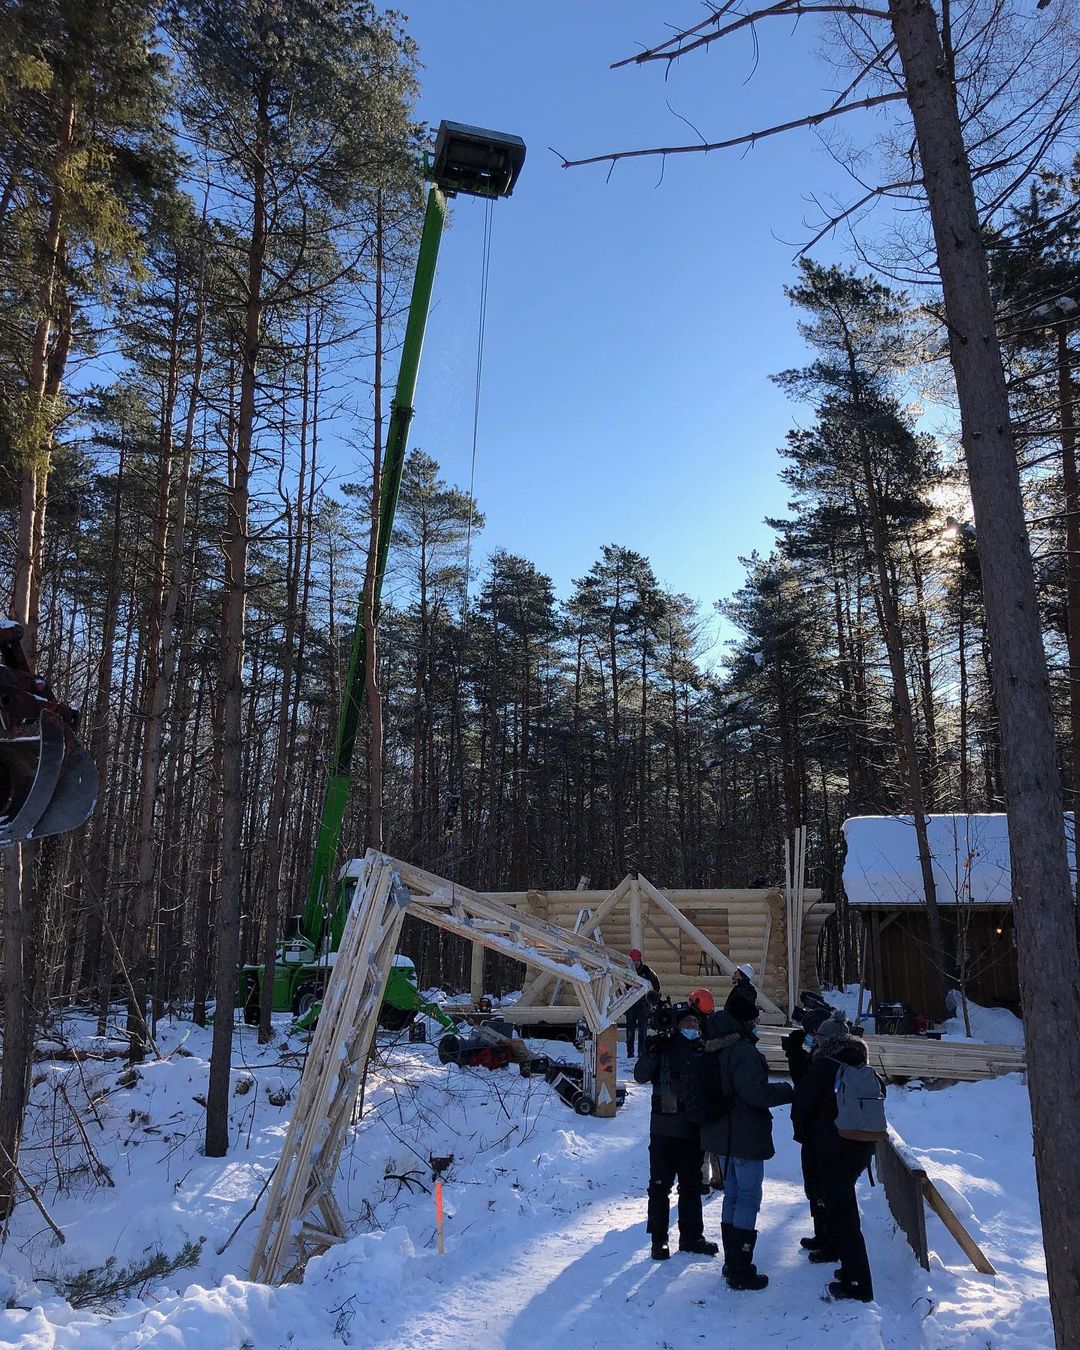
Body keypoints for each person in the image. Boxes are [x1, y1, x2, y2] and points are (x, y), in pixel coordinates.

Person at [698, 986, 794, 1290]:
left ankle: (732, 1261)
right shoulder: (744, 1052)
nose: (756, 1025)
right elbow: (755, 1094)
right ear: (745, 1021)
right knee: (748, 1198)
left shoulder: (714, 1045)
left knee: (733, 1195)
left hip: (722, 1134)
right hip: (744, 1133)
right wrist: (788, 1091)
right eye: (754, 1020)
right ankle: (741, 1266)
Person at [791, 1016, 880, 1303]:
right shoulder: (860, 1064)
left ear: (824, 1041)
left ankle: (858, 1283)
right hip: (859, 1147)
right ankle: (848, 1267)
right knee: (844, 1211)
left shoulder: (823, 1068)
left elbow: (801, 1104)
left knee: (844, 1216)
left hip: (832, 1148)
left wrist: (806, 1130)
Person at [634, 1008, 719, 1261]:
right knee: (659, 1187)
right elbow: (640, 1075)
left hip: (693, 1130)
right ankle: (658, 1240)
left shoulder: (704, 1050)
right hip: (664, 1131)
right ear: (678, 1024)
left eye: (695, 1021)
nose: (692, 1025)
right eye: (687, 1021)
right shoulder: (663, 1047)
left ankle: (692, 1237)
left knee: (692, 1187)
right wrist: (652, 1050)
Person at [781, 1004, 836, 1261]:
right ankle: (822, 1235)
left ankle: (830, 1242)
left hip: (823, 1133)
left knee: (824, 1187)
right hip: (815, 1132)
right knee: (814, 1186)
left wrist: (796, 1055)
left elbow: (806, 1086)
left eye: (811, 1032)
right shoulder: (819, 1055)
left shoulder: (828, 1060)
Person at [625, 948, 660, 1058]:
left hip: (643, 1004)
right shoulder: (626, 971)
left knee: (642, 1030)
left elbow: (656, 982)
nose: (636, 963)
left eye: (638, 960)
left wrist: (653, 997)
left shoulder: (646, 970)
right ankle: (630, 1054)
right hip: (630, 1004)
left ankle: (642, 1053)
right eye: (634, 961)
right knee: (630, 1030)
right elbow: (619, 987)